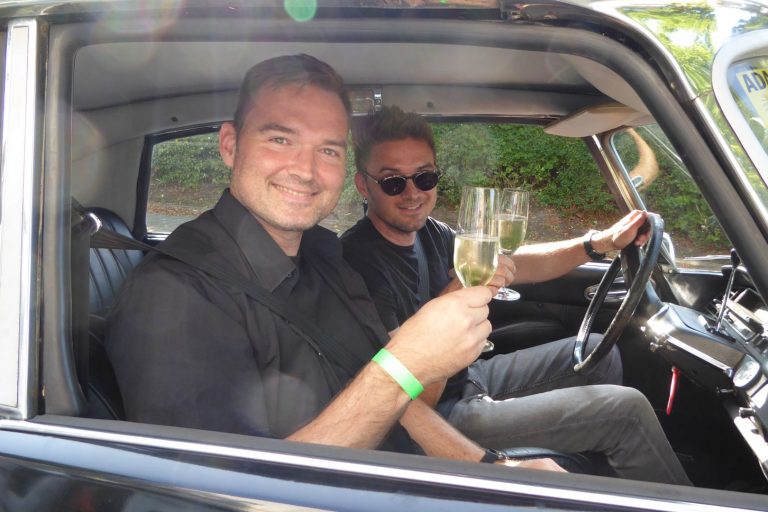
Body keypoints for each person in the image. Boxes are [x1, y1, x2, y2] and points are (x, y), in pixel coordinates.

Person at [105, 54, 560, 471]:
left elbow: (399, 406)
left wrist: (493, 468)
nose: (305, 170)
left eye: (327, 150)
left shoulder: (323, 256)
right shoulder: (174, 295)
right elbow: (227, 493)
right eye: (280, 139)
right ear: (230, 145)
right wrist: (403, 366)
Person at [340, 105, 691, 484]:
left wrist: (597, 244)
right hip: (441, 416)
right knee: (627, 412)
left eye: (424, 177)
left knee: (598, 353)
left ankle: (594, 467)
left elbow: (515, 264)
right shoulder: (357, 265)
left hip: (469, 376)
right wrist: (454, 299)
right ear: (363, 185)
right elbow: (409, 402)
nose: (412, 193)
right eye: (393, 182)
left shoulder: (430, 232)